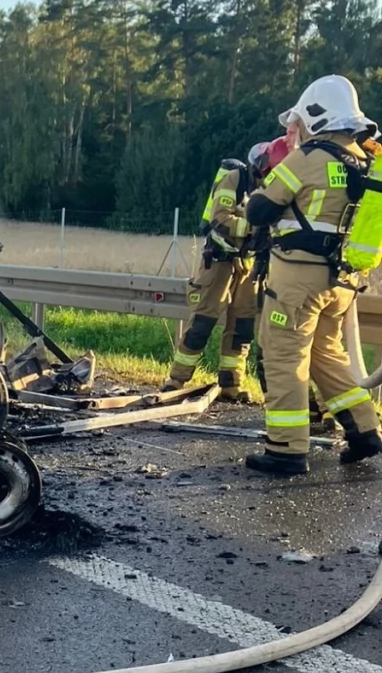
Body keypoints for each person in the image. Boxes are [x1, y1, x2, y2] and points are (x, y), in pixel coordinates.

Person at [243, 74, 382, 475]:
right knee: (326, 353)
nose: (295, 130)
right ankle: (365, 431)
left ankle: (286, 449)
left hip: (298, 281)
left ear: (316, 118)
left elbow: (260, 211)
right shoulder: (364, 161)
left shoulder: (307, 159)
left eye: (299, 122)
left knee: (284, 353)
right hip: (342, 282)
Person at [163, 139, 288, 402]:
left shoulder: (275, 186)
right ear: (260, 166)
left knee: (242, 328)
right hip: (219, 261)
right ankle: (175, 381)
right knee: (203, 324)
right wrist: (256, 229)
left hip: (250, 265)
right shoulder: (234, 179)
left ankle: (231, 386)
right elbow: (220, 218)